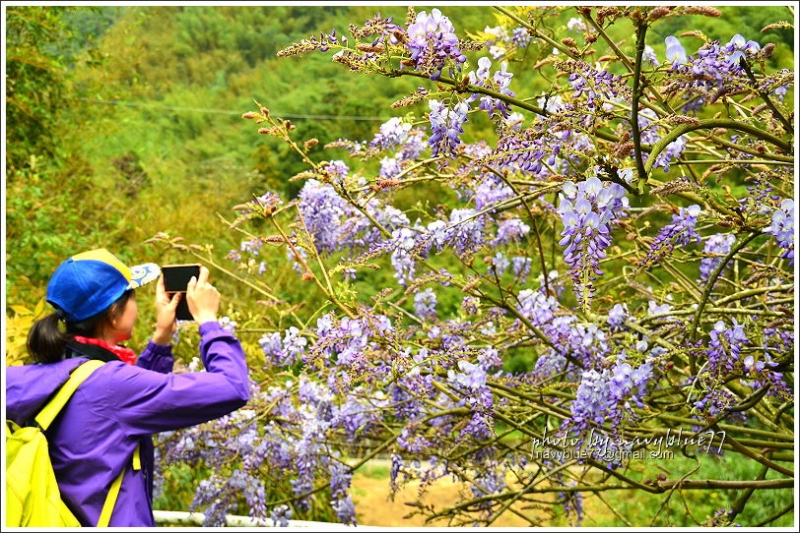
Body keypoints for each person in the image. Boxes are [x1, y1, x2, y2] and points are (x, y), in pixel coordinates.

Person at [5, 248, 251, 527]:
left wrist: (161, 340)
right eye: (132, 296)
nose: (137, 305)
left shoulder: (31, 377)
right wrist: (208, 321)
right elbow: (232, 386)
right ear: (113, 314)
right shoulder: (113, 386)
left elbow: (116, 412)